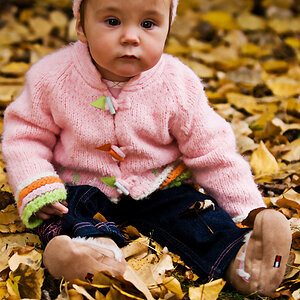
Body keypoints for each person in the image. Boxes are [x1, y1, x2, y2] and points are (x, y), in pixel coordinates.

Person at [2, 0, 291, 296]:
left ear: (168, 28)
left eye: (148, 24)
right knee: (65, 211)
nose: (131, 36)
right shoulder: (52, 77)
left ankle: (241, 261)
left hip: (158, 187)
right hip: (82, 185)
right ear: (81, 25)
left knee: (196, 214)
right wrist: (37, 185)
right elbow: (25, 136)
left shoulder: (178, 84)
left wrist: (247, 208)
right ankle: (91, 253)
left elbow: (213, 152)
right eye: (113, 21)